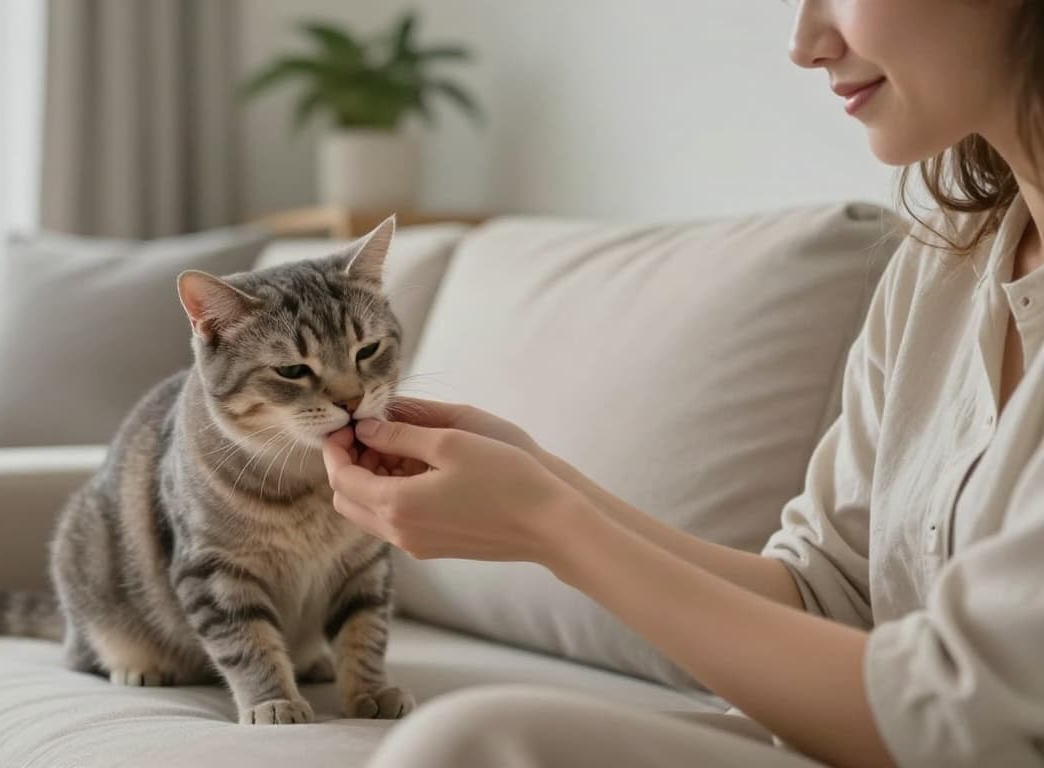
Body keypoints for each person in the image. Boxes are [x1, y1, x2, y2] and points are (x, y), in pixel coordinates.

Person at [321, 1, 1044, 766]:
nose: (805, 45)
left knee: (471, 746)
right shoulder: (941, 268)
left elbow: (964, 723)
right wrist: (545, 484)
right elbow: (825, 599)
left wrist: (550, 524)